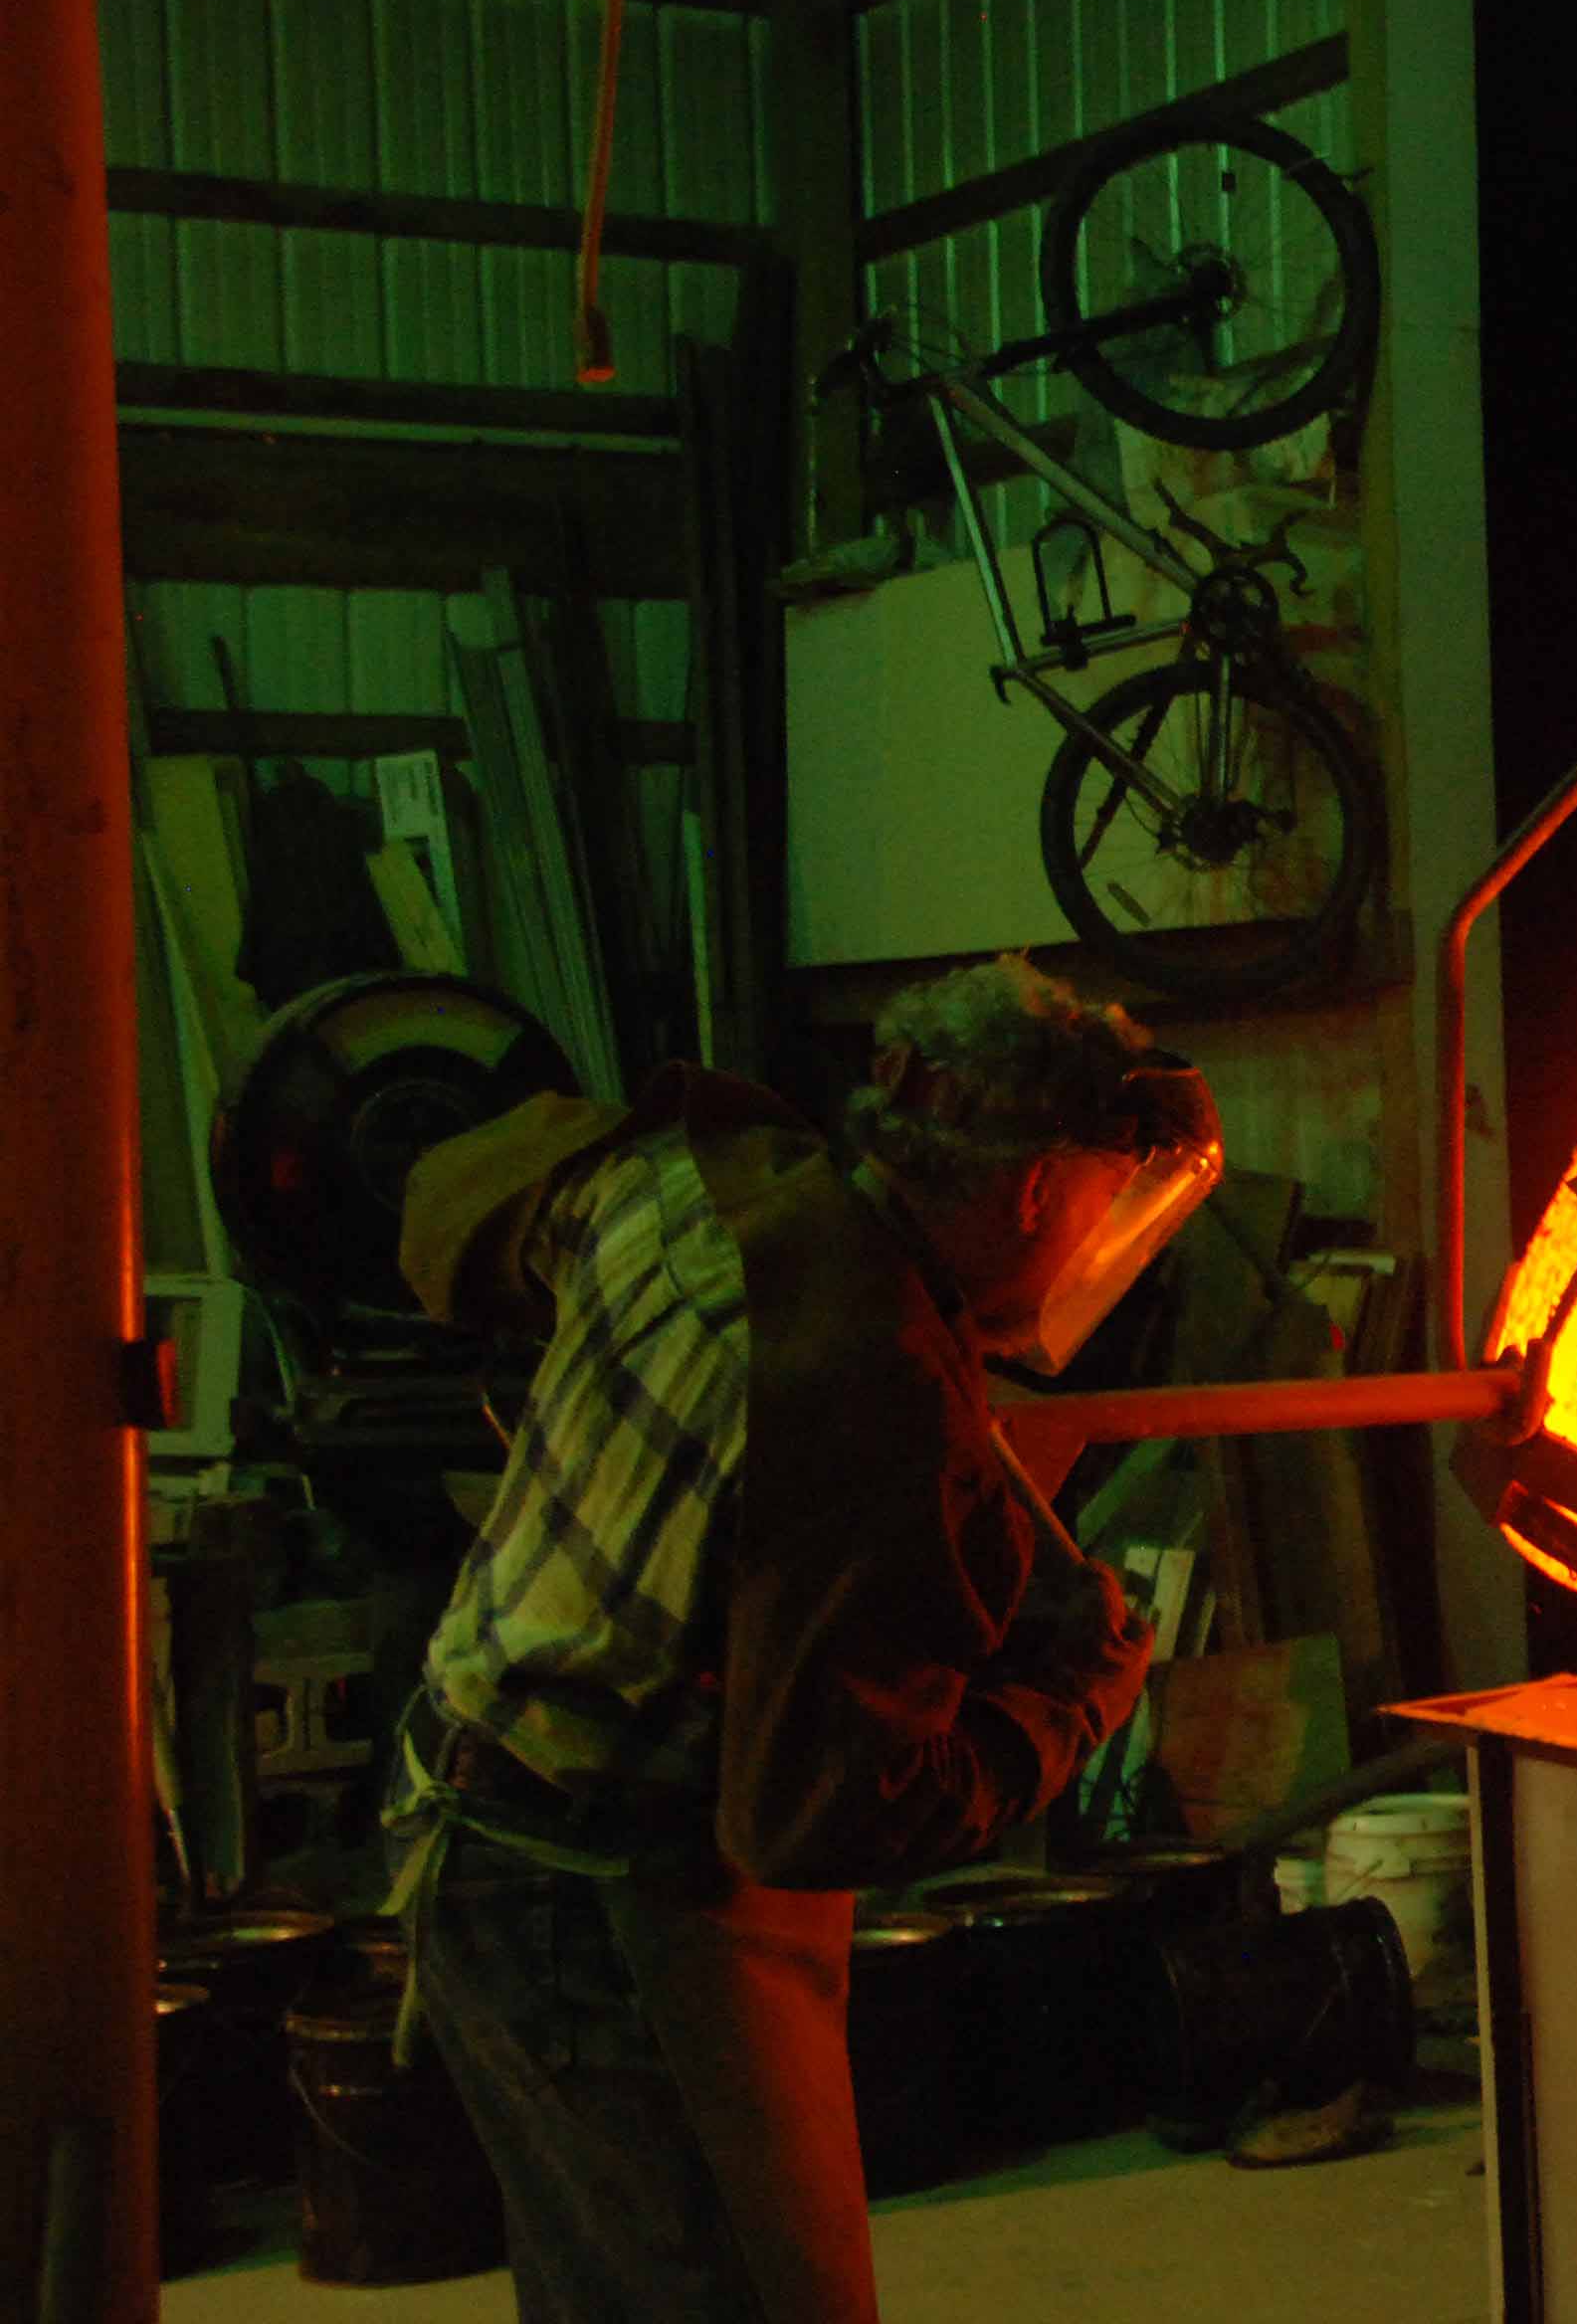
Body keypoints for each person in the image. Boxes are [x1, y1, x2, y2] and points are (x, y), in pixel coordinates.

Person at [381, 955, 1225, 2324]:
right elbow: (822, 1815)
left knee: (604, 2282)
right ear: (1033, 1189)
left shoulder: (694, 1181)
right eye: (1099, 1197)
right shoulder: (873, 1393)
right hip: (590, 1905)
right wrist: (1068, 1703)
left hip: (462, 1812)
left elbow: (468, 1202)